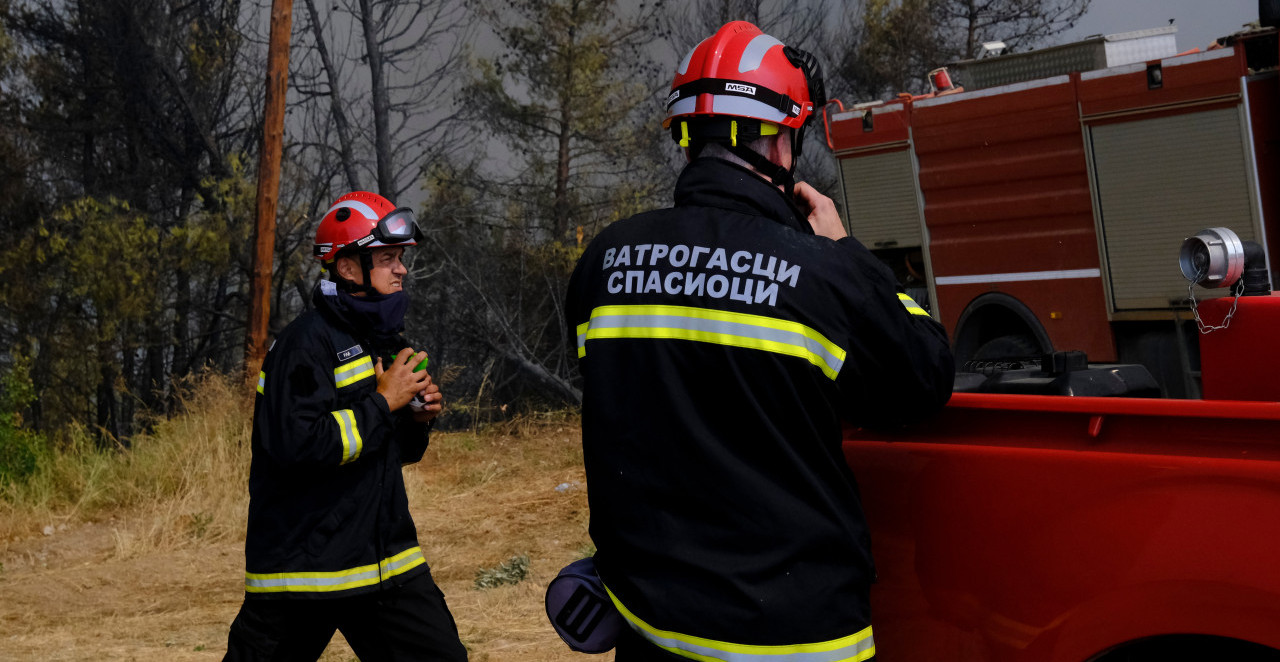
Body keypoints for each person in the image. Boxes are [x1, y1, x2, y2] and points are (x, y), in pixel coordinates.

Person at [565, 21, 955, 661]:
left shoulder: (605, 261)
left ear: (688, 140)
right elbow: (923, 376)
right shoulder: (822, 275)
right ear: (778, 144)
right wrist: (850, 255)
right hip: (795, 637)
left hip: (653, 627)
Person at [224, 191, 467, 661]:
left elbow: (393, 451)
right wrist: (383, 401)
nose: (401, 270)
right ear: (348, 267)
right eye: (388, 259)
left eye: (401, 259)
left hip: (384, 565)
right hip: (302, 573)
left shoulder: (385, 342)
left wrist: (416, 419)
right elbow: (297, 447)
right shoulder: (303, 346)